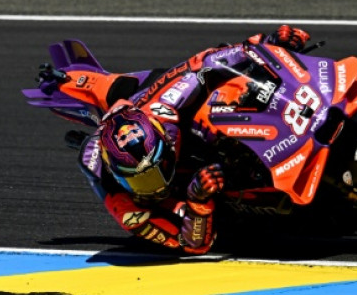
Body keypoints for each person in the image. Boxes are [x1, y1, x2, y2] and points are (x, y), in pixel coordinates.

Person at [77, 25, 311, 254]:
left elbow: (204, 62)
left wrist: (265, 45)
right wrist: (198, 203)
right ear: (120, 177)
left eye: (157, 170)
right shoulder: (128, 210)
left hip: (148, 106)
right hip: (184, 189)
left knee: (220, 86)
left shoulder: (163, 108)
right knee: (238, 230)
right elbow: (191, 244)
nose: (157, 185)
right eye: (142, 180)